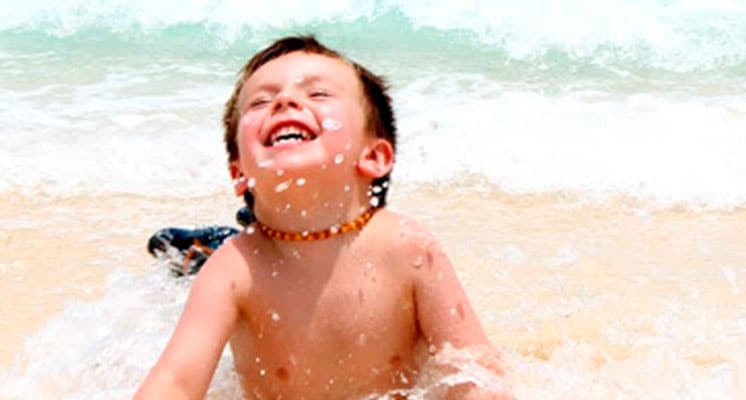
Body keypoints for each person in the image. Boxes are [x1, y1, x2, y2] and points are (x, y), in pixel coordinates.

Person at [135, 35, 507, 399]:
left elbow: (476, 373)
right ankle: (195, 252)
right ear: (238, 173)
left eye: (318, 94)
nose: (284, 100)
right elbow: (176, 383)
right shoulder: (233, 269)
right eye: (260, 101)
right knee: (213, 258)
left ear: (374, 157)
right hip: (237, 250)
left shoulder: (409, 249)